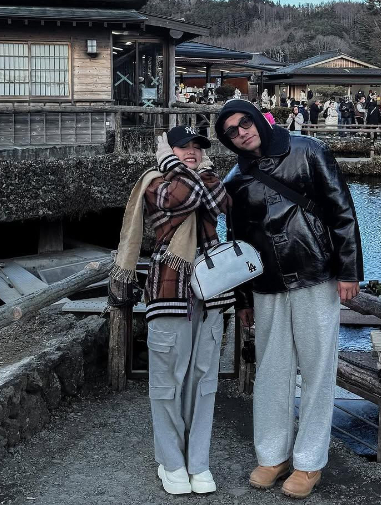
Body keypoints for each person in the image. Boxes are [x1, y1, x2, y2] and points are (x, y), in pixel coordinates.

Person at [214, 99, 362, 499]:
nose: (242, 131)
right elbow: (238, 243)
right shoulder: (235, 179)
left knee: (317, 369)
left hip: (315, 270)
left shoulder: (308, 149)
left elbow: (341, 210)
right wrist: (243, 298)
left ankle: (309, 462)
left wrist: (349, 270)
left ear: (258, 120)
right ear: (227, 140)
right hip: (266, 282)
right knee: (273, 372)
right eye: (232, 130)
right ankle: (273, 454)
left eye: (245, 122)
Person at [109, 127, 233, 496]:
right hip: (168, 289)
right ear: (166, 150)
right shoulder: (153, 181)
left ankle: (198, 462)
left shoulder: (209, 179)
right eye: (184, 147)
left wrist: (185, 166)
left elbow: (219, 201)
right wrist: (170, 163)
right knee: (167, 383)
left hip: (210, 292)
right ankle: (171, 462)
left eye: (198, 147)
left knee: (204, 381)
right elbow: (182, 196)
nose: (193, 152)